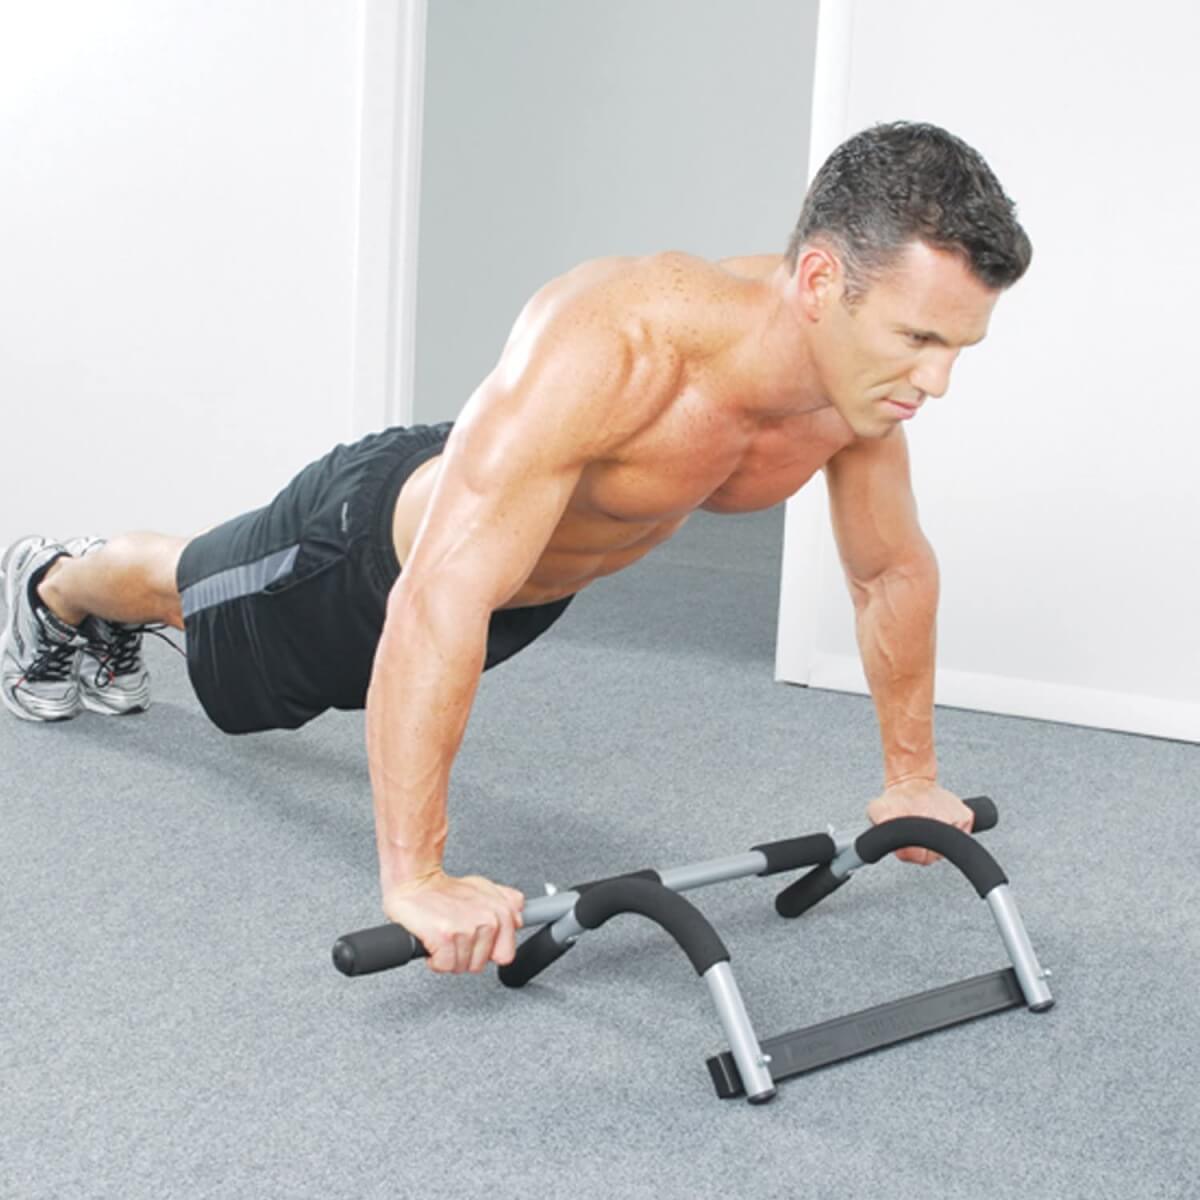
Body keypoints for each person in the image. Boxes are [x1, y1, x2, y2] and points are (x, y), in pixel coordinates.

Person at [0, 121, 1031, 975]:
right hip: (367, 555)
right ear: (818, 280)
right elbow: (439, 593)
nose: (936, 381)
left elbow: (888, 569)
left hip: (518, 588)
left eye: (957, 347)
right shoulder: (622, 342)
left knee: (251, 651)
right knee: (196, 609)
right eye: (918, 338)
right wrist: (417, 875)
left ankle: (92, 609)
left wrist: (911, 776)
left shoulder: (857, 394)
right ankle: (54, 585)